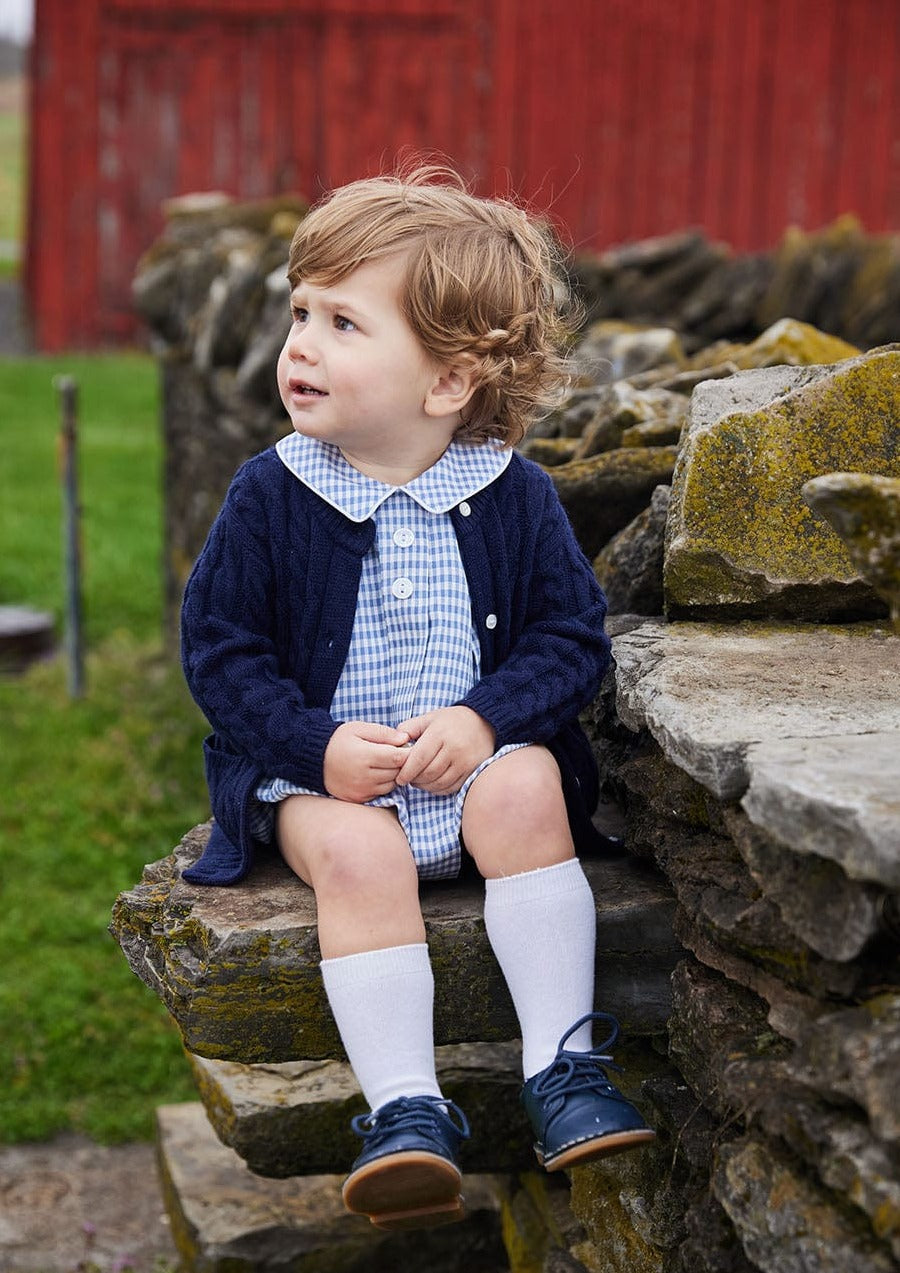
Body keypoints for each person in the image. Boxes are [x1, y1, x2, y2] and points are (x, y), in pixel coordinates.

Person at [180, 165, 655, 1232]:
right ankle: (405, 1108)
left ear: (448, 382)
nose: (299, 342)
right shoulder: (273, 491)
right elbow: (221, 651)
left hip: (470, 769)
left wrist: (487, 721)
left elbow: (571, 638)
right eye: (300, 310)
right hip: (329, 782)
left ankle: (565, 1070)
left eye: (344, 322)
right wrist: (313, 746)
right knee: (360, 853)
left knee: (530, 783)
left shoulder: (511, 494)